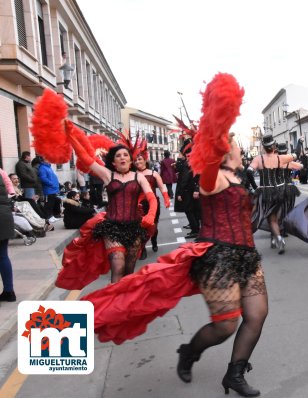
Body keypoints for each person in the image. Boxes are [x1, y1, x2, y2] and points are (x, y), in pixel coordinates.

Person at [82, 73, 266, 397]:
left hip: (247, 257)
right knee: (226, 324)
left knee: (257, 315)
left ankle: (234, 374)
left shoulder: (240, 178)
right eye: (232, 144)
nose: (236, 147)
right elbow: (208, 169)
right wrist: (212, 135)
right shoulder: (214, 178)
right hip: (218, 258)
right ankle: (189, 352)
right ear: (223, 151)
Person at [57, 123, 157, 286]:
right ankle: (115, 302)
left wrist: (151, 214)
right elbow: (86, 157)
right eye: (118, 156)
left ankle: (125, 304)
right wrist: (71, 137)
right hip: (112, 227)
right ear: (113, 161)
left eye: (125, 155)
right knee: (117, 264)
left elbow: (151, 198)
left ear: (130, 160)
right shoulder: (107, 175)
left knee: (129, 270)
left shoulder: (139, 177)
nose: (122, 157)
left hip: (134, 227)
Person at [250, 134, 298, 254]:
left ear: (264, 147)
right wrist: (300, 142)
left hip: (266, 191)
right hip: (278, 191)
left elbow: (249, 172)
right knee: (275, 217)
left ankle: (278, 238)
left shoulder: (258, 159)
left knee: (271, 218)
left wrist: (256, 187)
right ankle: (275, 238)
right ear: (273, 146)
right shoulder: (280, 158)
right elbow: (296, 155)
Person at [134, 150, 171, 255]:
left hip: (153, 205)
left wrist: (166, 199)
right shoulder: (133, 174)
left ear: (145, 160)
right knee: (140, 227)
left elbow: (162, 187)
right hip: (138, 206)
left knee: (153, 227)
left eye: (140, 159)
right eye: (135, 160)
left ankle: (154, 241)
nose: (137, 162)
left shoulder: (153, 173)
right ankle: (143, 248)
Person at [0, 167, 16, 302]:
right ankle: (9, 291)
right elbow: (10, 188)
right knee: (3, 255)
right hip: (4, 215)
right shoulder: (1, 172)